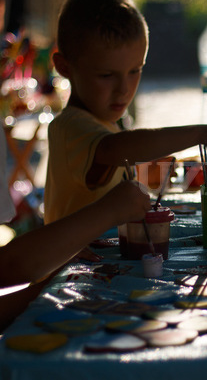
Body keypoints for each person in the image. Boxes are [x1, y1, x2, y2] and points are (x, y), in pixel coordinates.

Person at [44, 0, 207, 227]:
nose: (124, 89)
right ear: (64, 68)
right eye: (106, 75)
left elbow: (114, 168)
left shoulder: (104, 124)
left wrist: (148, 169)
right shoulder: (69, 127)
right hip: (74, 263)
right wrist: (203, 133)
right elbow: (115, 150)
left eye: (135, 71)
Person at [0, 125, 152, 332]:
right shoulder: (72, 125)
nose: (121, 90)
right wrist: (49, 288)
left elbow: (7, 264)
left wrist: (57, 266)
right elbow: (9, 266)